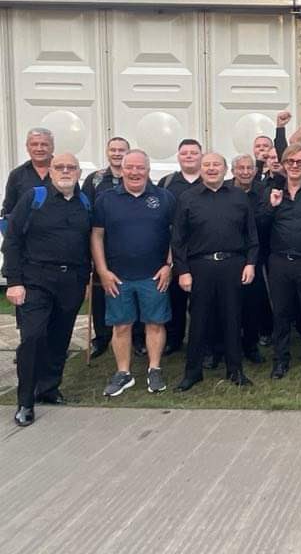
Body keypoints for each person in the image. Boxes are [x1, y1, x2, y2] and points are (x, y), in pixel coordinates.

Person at [3, 153, 90, 426]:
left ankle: (49, 389)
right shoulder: (34, 198)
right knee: (33, 337)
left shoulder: (85, 203)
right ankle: (25, 401)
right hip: (35, 280)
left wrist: (87, 278)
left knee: (59, 338)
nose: (65, 171)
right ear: (50, 171)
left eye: (71, 167)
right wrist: (13, 281)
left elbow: (89, 242)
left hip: (72, 280)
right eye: (59, 167)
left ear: (79, 173)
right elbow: (12, 240)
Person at [91, 150, 176, 397]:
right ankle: (123, 373)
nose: (135, 172)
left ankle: (154, 369)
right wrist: (102, 271)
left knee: (155, 323)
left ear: (148, 170)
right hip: (118, 277)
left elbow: (176, 234)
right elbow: (96, 236)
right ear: (122, 170)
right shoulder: (106, 199)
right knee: (121, 325)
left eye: (140, 167)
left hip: (154, 275)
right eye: (130, 167)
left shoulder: (165, 198)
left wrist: (168, 265)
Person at [172, 153, 258, 391]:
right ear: (201, 169)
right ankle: (193, 372)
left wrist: (250, 263)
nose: (211, 169)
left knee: (233, 318)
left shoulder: (239, 197)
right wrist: (183, 270)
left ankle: (235, 370)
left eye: (216, 164)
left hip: (233, 265)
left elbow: (251, 235)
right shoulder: (187, 198)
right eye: (207, 165)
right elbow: (178, 239)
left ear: (225, 169)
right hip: (200, 267)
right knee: (199, 320)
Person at [259, 143, 301, 379]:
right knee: (280, 314)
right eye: (290, 161)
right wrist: (271, 206)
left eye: (300, 162)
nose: (295, 166)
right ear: (284, 165)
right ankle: (280, 359)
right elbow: (259, 226)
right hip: (279, 261)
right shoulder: (272, 191)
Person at [82, 136, 131, 358]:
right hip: (101, 244)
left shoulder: (136, 175)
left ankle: (136, 336)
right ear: (107, 152)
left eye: (122, 150)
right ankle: (102, 337)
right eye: (113, 150)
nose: (117, 153)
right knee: (101, 292)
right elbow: (85, 211)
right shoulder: (95, 179)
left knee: (130, 289)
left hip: (128, 245)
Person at [158, 138, 203, 355]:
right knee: (175, 296)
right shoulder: (167, 183)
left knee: (201, 299)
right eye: (185, 153)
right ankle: (174, 339)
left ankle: (201, 339)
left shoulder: (210, 180)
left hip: (203, 249)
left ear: (201, 156)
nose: (189, 156)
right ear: (178, 157)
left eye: (194, 152)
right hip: (174, 249)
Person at [230, 154, 270, 361]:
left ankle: (251, 346)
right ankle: (225, 346)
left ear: (256, 171)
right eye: (241, 168)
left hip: (255, 255)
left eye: (249, 168)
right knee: (227, 304)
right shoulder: (223, 190)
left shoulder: (263, 192)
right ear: (233, 171)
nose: (245, 172)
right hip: (229, 255)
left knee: (252, 304)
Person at [2, 127, 54, 221]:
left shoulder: (65, 171)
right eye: (34, 144)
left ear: (52, 147)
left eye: (44, 144)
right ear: (27, 147)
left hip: (59, 229)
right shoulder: (16, 175)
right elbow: (8, 210)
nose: (39, 148)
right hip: (26, 229)